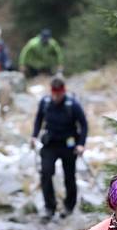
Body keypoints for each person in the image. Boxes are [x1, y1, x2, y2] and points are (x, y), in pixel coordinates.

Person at [31, 76, 88, 219]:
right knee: (46, 173)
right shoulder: (45, 102)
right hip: (50, 144)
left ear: (63, 91)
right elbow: (39, 119)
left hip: (69, 146)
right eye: (54, 94)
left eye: (59, 94)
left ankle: (69, 206)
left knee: (69, 176)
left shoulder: (72, 105)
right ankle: (49, 207)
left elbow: (84, 124)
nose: (56, 97)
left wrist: (81, 144)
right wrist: (34, 135)